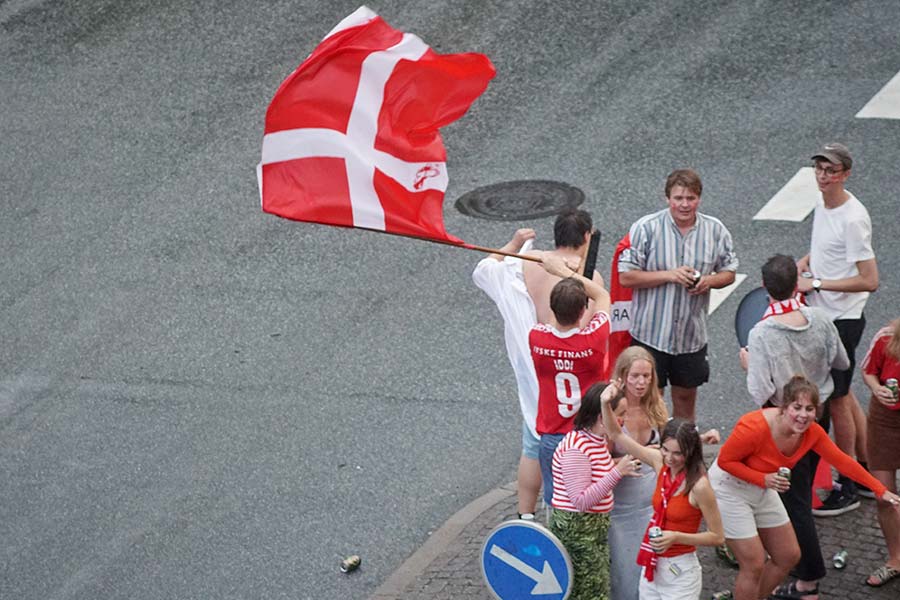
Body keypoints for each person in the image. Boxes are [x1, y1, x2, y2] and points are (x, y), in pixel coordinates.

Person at [709, 376, 900, 600]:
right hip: (730, 487)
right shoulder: (754, 427)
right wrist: (764, 479)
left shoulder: (812, 432)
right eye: (796, 407)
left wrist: (880, 490)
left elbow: (842, 461)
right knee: (754, 563)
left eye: (809, 409)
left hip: (762, 486)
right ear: (783, 407)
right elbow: (725, 462)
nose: (802, 415)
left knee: (788, 555)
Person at [472, 209, 600, 519]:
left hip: (538, 367)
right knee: (584, 450)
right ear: (586, 238)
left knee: (533, 443)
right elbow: (597, 320)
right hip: (575, 373)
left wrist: (514, 243)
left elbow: (485, 269)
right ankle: (579, 510)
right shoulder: (590, 278)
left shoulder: (526, 265)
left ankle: (526, 516)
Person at [738, 255, 849, 598]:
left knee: (794, 502)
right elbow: (842, 361)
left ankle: (809, 579)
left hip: (785, 426)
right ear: (796, 283)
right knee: (798, 494)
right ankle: (795, 561)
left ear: (764, 287)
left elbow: (760, 390)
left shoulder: (762, 333)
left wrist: (747, 363)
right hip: (819, 413)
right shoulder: (819, 318)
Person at [796, 143, 879, 515]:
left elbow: (869, 279)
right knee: (842, 395)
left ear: (845, 174)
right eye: (819, 168)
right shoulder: (823, 204)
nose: (823, 175)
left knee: (837, 398)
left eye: (831, 170)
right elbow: (826, 252)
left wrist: (817, 285)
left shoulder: (853, 217)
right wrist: (804, 263)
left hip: (843, 317)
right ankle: (863, 466)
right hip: (823, 313)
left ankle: (847, 481)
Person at [619, 168, 738, 421]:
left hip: (690, 337)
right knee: (648, 404)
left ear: (699, 199)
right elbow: (626, 277)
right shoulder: (645, 228)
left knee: (685, 401)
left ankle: (681, 454)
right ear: (667, 199)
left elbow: (729, 272)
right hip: (651, 336)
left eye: (691, 198)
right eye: (678, 198)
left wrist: (707, 281)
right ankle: (652, 457)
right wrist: (670, 275)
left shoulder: (715, 230)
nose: (684, 205)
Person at [601, 380, 725, 600]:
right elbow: (616, 434)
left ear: (691, 452)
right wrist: (605, 403)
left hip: (681, 571)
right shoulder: (660, 462)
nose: (670, 458)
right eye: (666, 449)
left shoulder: (699, 486)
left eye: (677, 453)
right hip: (653, 564)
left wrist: (676, 537)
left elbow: (717, 537)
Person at [530, 254, 611, 507]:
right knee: (591, 502)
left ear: (553, 308)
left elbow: (553, 322)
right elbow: (602, 296)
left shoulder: (537, 338)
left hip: (553, 436)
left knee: (557, 501)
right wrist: (566, 272)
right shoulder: (593, 340)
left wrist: (557, 273)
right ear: (583, 311)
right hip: (589, 436)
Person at [549, 383, 640, 600]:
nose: (623, 421)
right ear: (603, 416)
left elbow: (596, 471)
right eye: (620, 414)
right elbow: (581, 500)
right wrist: (617, 472)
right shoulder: (577, 448)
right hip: (578, 531)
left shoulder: (595, 440)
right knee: (590, 591)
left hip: (593, 529)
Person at [606, 346, 670, 600]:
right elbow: (599, 461)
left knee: (654, 572)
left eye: (647, 376)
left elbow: (669, 444)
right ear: (622, 376)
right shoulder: (612, 412)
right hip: (621, 509)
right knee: (625, 575)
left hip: (652, 505)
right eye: (635, 376)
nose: (641, 383)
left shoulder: (656, 406)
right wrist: (639, 456)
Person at [860, 319, 900, 588]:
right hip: (884, 421)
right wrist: (877, 388)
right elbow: (868, 371)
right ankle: (896, 559)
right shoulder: (886, 338)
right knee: (884, 495)